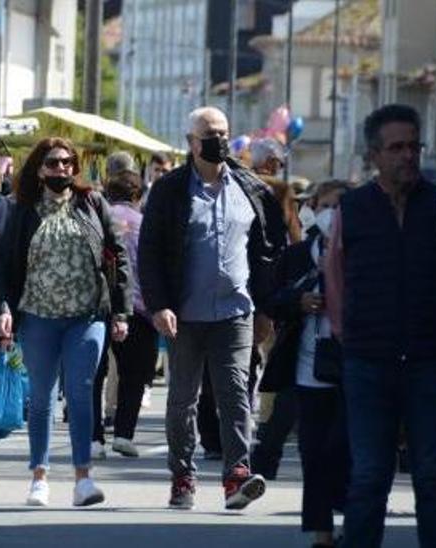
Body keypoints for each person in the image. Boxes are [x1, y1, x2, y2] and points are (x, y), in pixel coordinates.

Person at [323, 104, 436, 547]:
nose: (408, 155)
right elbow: (336, 280)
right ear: (374, 154)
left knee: (432, 475)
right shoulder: (352, 209)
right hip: (368, 363)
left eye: (414, 146)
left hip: (430, 361)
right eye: (396, 147)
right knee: (369, 475)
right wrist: (347, 337)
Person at [139, 106, 288, 511]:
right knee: (182, 400)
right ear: (191, 142)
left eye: (223, 131)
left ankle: (237, 475)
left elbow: (269, 250)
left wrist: (267, 308)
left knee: (236, 394)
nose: (218, 139)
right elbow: (149, 252)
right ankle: (182, 475)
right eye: (209, 133)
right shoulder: (170, 190)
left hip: (235, 313)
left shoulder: (249, 187)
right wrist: (159, 305)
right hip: (183, 315)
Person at [0, 137, 132, 508]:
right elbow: (4, 266)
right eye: (54, 163)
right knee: (41, 396)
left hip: (86, 316)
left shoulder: (92, 203)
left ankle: (83, 478)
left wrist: (120, 312)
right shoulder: (20, 209)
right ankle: (39, 476)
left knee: (82, 390)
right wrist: (4, 309)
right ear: (39, 168)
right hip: (38, 316)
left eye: (68, 162)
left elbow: (116, 257)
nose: (62, 169)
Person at [265, 180, 351, 547]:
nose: (333, 213)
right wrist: (298, 301)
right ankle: (322, 532)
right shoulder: (298, 255)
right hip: (307, 366)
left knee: (343, 446)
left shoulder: (363, 253)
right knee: (312, 451)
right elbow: (271, 299)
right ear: (314, 208)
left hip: (353, 367)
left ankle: (352, 514)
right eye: (327, 205)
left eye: (342, 205)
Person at [101, 170, 158, 459]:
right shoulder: (145, 224)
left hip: (98, 309)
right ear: (138, 195)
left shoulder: (98, 217)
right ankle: (124, 434)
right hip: (138, 310)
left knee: (94, 374)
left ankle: (93, 438)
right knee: (134, 377)